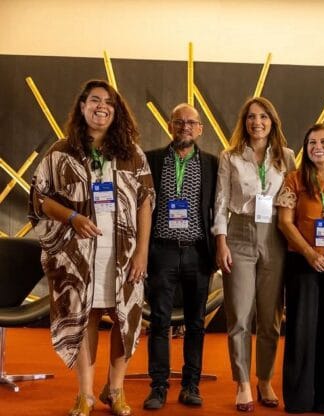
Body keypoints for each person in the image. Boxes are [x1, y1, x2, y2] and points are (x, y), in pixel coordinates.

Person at [29, 79, 154, 416]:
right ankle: (84, 394)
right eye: (95, 100)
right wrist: (71, 217)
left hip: (123, 251)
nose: (102, 107)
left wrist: (142, 251)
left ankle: (115, 390)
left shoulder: (132, 154)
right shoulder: (60, 152)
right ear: (82, 107)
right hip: (78, 254)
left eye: (109, 103)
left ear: (117, 112)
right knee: (87, 318)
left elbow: (146, 203)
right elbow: (40, 198)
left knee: (125, 319)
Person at [212, 96, 295, 412]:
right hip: (240, 234)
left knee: (271, 318)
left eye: (263, 117)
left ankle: (265, 379)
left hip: (275, 234)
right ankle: (243, 382)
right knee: (240, 315)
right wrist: (221, 241)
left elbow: (293, 202)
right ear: (243, 122)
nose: (256, 122)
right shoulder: (230, 156)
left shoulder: (286, 157)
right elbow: (220, 201)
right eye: (250, 117)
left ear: (272, 121)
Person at [142, 103, 218, 409]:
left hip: (197, 252)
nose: (185, 126)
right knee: (159, 321)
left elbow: (218, 208)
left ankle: (190, 385)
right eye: (179, 122)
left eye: (191, 122)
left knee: (196, 323)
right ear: (170, 126)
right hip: (162, 251)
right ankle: (158, 387)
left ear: (200, 129)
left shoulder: (212, 164)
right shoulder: (152, 160)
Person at [276, 123, 324, 414]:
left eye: (323, 142)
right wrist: (309, 254)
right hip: (303, 265)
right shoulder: (293, 179)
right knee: (301, 332)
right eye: (311, 142)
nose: (317, 147)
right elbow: (285, 222)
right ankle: (298, 398)